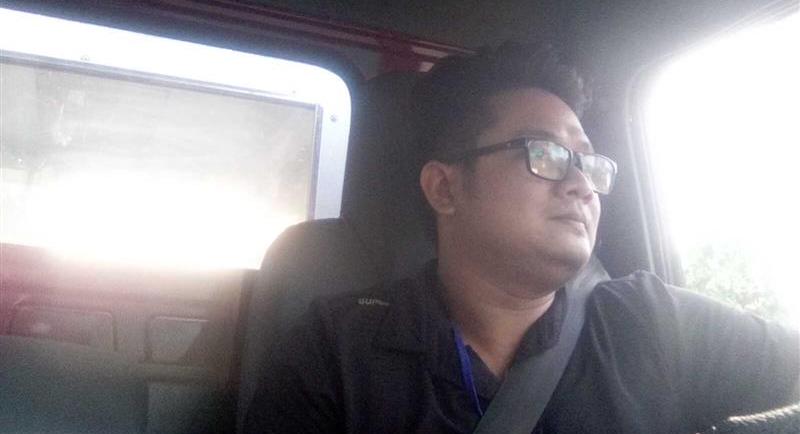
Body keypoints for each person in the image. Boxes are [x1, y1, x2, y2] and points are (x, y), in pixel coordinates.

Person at [245, 44, 799, 433]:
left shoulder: (653, 321)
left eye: (588, 161)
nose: (582, 184)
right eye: (546, 153)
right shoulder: (336, 350)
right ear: (444, 187)